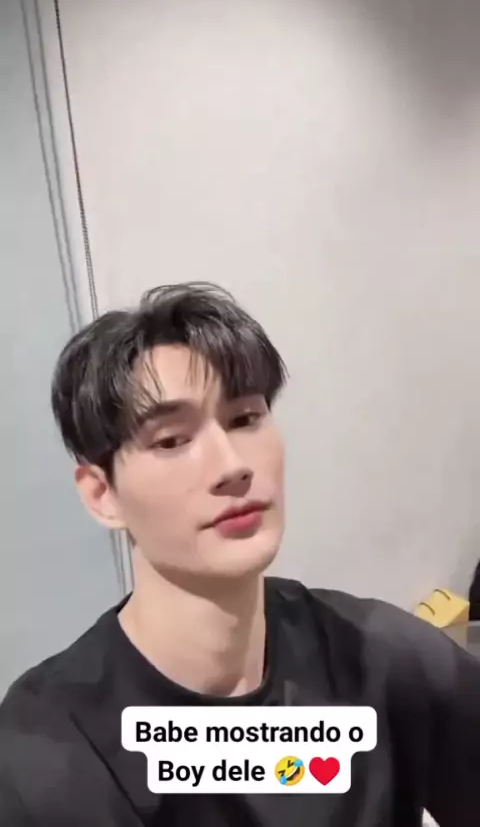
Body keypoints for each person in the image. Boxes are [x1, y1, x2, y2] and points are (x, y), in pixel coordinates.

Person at [1, 282, 479, 827]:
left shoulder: (384, 658)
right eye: (171, 440)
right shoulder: (46, 757)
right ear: (101, 494)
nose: (232, 465)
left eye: (245, 418)